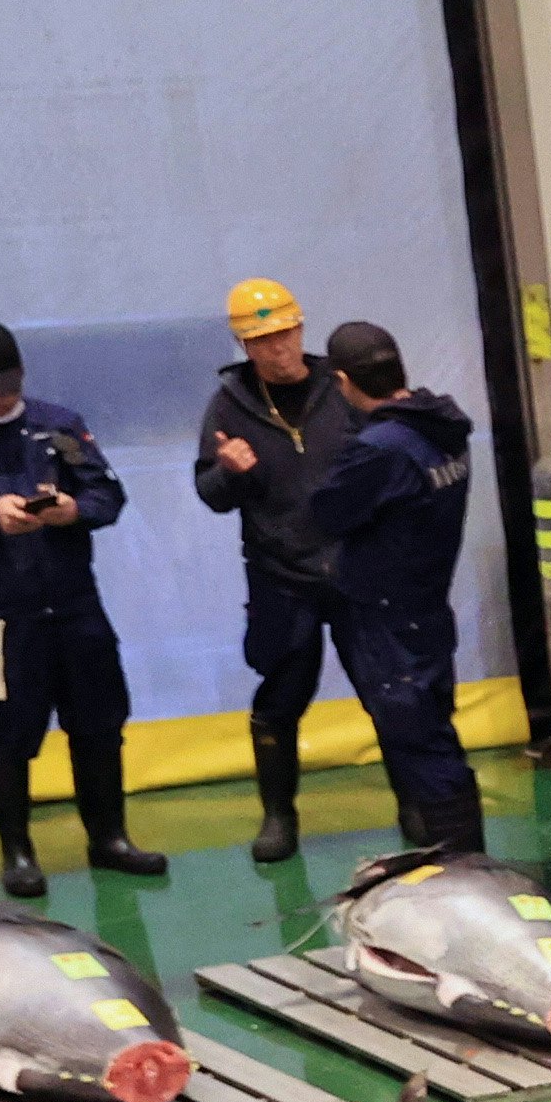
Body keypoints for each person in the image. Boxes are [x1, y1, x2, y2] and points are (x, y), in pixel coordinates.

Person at [302, 322, 483, 858]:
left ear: (343, 381)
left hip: (389, 621)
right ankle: (462, 863)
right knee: (436, 736)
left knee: (421, 746)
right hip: (428, 608)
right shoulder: (443, 428)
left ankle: (460, 868)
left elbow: (325, 513)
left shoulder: (382, 449)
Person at [0, 323, 156, 899]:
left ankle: (109, 839)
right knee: (4, 735)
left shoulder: (58, 424)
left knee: (99, 724)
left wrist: (72, 510)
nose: (2, 398)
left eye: (9, 385)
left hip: (75, 606)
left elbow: (107, 495)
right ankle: (18, 852)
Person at [194, 278, 351, 864]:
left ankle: (415, 803)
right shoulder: (228, 406)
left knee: (387, 690)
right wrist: (229, 471)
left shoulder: (341, 388)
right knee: (280, 697)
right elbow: (210, 494)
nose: (276, 348)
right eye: (261, 340)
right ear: (243, 344)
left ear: (301, 328)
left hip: (354, 572)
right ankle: (279, 815)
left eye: (284, 334)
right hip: (279, 577)